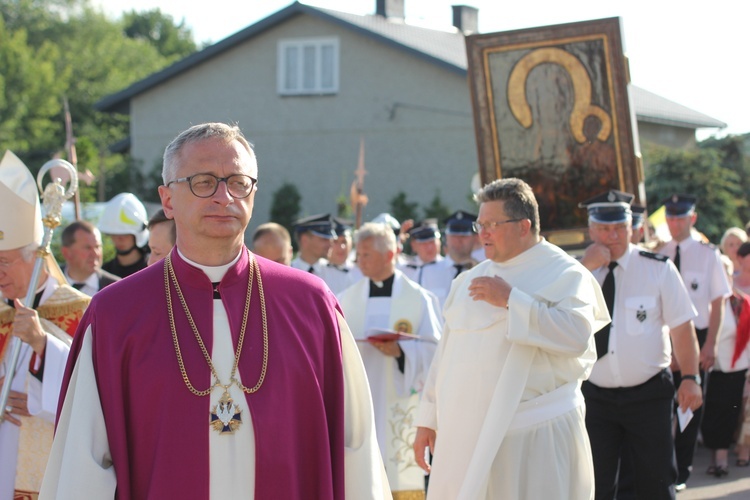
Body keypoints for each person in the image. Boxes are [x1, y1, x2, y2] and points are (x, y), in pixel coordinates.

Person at [40, 123, 389, 498]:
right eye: (203, 181)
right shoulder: (115, 315)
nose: (224, 196)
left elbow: (356, 450)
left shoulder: (310, 306)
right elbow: (83, 464)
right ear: (168, 200)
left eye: (239, 182)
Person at [413, 178, 610, 499]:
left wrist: (513, 301)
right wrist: (428, 419)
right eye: (481, 223)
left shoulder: (565, 273)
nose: (483, 232)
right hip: (466, 436)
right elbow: (446, 355)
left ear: (523, 226)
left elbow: (576, 336)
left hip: (534, 438)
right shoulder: (468, 280)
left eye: (492, 224)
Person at [579, 189, 703, 499]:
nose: (613, 235)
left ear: (632, 227)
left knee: (656, 482)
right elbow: (553, 313)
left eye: (619, 227)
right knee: (595, 483)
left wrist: (691, 377)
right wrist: (583, 268)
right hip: (595, 397)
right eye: (604, 228)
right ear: (591, 229)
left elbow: (682, 329)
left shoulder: (658, 268)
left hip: (648, 396)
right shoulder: (576, 273)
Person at [0, 150, 89, 500]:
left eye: (5, 262)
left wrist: (42, 345)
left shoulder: (80, 310)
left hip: (53, 465)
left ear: (33, 258)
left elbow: (95, 385)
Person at [338, 222, 441, 498]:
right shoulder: (345, 300)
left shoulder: (419, 299)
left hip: (400, 400)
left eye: (366, 254)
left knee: (399, 474)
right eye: (358, 254)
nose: (359, 261)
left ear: (389, 255)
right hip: (359, 398)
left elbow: (436, 353)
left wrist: (401, 353)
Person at [659, 194, 731, 490]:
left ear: (693, 218)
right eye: (671, 218)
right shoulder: (659, 252)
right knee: (662, 406)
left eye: (680, 218)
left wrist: (711, 343)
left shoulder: (708, 253)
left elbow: (718, 302)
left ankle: (682, 470)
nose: (675, 223)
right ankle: (663, 467)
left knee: (690, 406)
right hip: (665, 337)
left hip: (698, 336)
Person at [701, 255, 750, 477]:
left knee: (727, 414)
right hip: (707, 369)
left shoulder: (742, 303)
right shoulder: (702, 303)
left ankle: (721, 460)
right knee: (709, 414)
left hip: (734, 369)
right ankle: (713, 457)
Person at [402, 220, 454, 308]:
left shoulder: (451, 268)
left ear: (439, 242)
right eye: (423, 243)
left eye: (432, 242)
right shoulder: (404, 269)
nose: (429, 247)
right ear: (413, 245)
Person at [60, 220, 120, 295]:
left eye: (97, 247)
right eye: (87, 248)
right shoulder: (48, 284)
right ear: (67, 253)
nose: (95, 254)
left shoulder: (117, 288)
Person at [98, 192, 150, 278]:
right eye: (115, 233)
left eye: (125, 234)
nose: (119, 239)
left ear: (139, 232)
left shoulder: (152, 269)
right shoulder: (104, 273)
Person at [442, 210, 479, 276]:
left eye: (463, 236)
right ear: (446, 237)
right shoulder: (427, 271)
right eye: (453, 236)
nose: (458, 240)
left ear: (475, 238)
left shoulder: (482, 270)